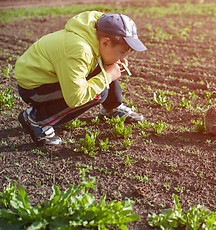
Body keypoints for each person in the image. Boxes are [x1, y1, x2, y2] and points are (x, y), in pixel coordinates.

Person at [14, 11, 146, 146]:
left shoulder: (95, 36)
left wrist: (110, 66)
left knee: (104, 68)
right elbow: (76, 97)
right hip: (35, 89)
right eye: (122, 52)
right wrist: (107, 76)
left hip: (52, 77)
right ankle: (37, 119)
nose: (123, 57)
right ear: (106, 42)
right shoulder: (79, 50)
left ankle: (111, 108)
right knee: (98, 92)